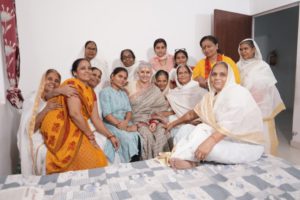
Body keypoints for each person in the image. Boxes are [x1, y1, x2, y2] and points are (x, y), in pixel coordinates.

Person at [166, 62, 264, 169]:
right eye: (214, 74)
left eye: (222, 75)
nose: (217, 78)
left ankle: (191, 160)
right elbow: (192, 114)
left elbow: (231, 124)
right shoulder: (210, 96)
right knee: (186, 130)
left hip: (244, 144)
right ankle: (188, 156)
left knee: (209, 147)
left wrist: (209, 142)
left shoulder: (238, 92)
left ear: (229, 76)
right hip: (223, 138)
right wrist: (172, 124)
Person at [40, 59, 119, 174]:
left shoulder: (91, 93)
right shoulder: (72, 84)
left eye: (89, 68)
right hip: (60, 125)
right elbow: (74, 113)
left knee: (98, 156)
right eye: (83, 68)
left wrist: (111, 136)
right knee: (93, 159)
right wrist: (90, 136)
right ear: (75, 73)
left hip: (75, 123)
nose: (87, 71)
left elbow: (96, 119)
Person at [17, 69, 79, 175]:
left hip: (52, 135)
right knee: (54, 154)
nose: (53, 82)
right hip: (35, 138)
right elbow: (30, 129)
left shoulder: (57, 98)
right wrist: (46, 109)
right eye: (49, 79)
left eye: (56, 81)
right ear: (43, 80)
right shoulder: (32, 98)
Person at [237, 38, 285, 155]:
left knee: (262, 132)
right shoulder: (237, 65)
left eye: (246, 49)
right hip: (243, 103)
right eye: (241, 49)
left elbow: (266, 86)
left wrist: (252, 92)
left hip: (260, 103)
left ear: (253, 50)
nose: (243, 52)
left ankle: (266, 155)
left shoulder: (262, 66)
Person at [127, 62, 170, 160]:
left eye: (148, 72)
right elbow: (125, 106)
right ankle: (149, 163)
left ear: (151, 74)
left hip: (154, 119)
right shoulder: (130, 86)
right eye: (142, 72)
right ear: (138, 73)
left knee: (161, 132)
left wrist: (154, 122)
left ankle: (163, 162)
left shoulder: (155, 89)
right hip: (137, 119)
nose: (145, 75)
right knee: (147, 135)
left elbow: (161, 108)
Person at [100, 67, 140, 163]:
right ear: (112, 77)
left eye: (125, 78)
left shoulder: (123, 94)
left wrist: (126, 122)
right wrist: (119, 125)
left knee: (137, 135)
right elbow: (106, 114)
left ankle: (137, 164)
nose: (122, 80)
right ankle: (128, 166)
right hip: (111, 123)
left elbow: (129, 111)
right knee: (127, 138)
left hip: (124, 122)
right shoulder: (105, 92)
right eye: (120, 76)